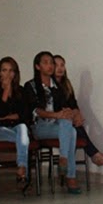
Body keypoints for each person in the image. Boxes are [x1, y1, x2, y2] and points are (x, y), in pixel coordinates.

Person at [24, 51, 81, 194]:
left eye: (51, 63)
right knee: (71, 131)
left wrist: (69, 113)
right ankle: (70, 177)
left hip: (57, 125)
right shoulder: (30, 85)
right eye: (46, 62)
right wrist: (57, 115)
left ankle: (63, 159)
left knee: (71, 129)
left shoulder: (57, 86)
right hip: (39, 126)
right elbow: (35, 110)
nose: (50, 66)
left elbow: (65, 106)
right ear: (37, 66)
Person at [53, 54, 103, 167]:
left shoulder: (66, 85)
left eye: (62, 65)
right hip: (55, 122)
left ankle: (93, 156)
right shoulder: (49, 86)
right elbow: (54, 107)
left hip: (68, 121)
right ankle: (95, 155)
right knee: (75, 127)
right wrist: (70, 113)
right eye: (56, 65)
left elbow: (73, 103)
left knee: (77, 125)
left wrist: (76, 114)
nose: (60, 68)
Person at [0, 57, 31, 192]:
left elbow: (24, 115)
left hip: (17, 128)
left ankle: (21, 167)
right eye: (4, 70)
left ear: (15, 73)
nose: (7, 74)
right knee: (23, 139)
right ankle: (22, 173)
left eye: (11, 70)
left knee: (22, 127)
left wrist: (3, 117)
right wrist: (6, 91)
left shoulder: (21, 91)